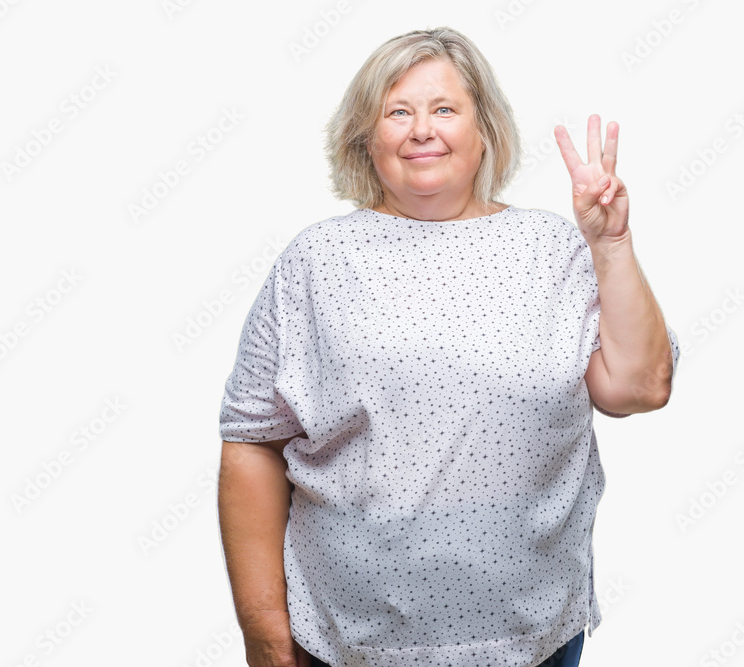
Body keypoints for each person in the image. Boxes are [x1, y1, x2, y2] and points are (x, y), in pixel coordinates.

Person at [217, 26, 680, 667]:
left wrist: (610, 245)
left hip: (532, 641)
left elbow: (639, 388)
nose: (421, 130)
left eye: (443, 109)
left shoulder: (555, 249)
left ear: (483, 128)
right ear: (365, 135)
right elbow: (251, 443)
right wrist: (265, 635)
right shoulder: (315, 260)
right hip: (346, 645)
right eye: (397, 112)